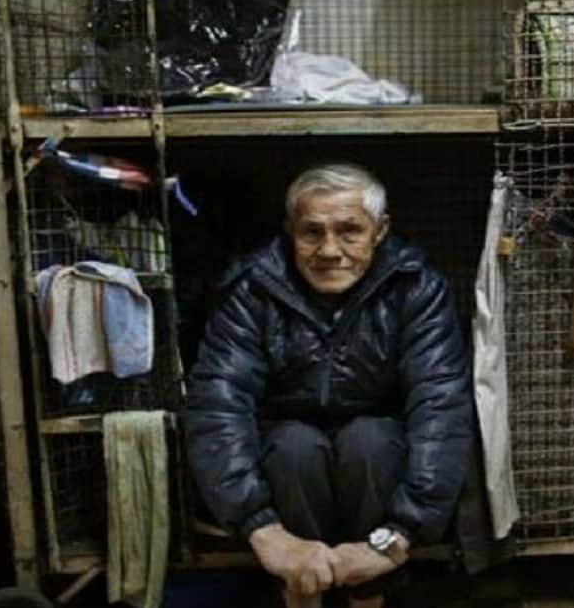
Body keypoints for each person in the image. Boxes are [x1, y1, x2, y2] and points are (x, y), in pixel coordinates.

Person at [185, 163, 473, 608]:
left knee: (370, 440)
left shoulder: (416, 288)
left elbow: (440, 406)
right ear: (290, 231)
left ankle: (368, 595)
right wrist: (262, 529)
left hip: (376, 463)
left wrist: (401, 532)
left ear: (380, 230)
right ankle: (302, 589)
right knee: (294, 445)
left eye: (350, 231)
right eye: (312, 232)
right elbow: (219, 404)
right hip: (287, 463)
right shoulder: (252, 289)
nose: (329, 250)